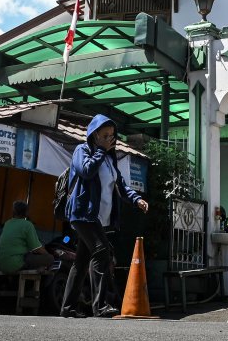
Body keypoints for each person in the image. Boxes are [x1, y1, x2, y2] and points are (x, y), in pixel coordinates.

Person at [60, 114, 149, 319]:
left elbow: (121, 184)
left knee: (81, 261)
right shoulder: (82, 150)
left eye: (112, 135)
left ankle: (68, 307)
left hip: (99, 218)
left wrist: (136, 200)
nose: (110, 139)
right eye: (105, 135)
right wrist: (100, 150)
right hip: (83, 214)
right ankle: (100, 306)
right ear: (94, 135)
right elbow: (86, 171)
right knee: (101, 253)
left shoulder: (110, 158)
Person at [0, 200, 53, 275]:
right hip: (15, 264)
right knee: (50, 259)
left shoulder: (7, 223)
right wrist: (47, 254)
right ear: (26, 212)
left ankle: (39, 267)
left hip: (1, 265)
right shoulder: (27, 225)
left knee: (30, 257)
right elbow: (37, 248)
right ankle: (40, 267)